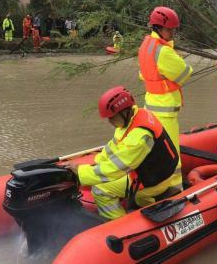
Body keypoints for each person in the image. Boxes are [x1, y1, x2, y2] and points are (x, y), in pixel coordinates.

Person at [63, 86, 180, 220]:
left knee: (100, 190)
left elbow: (116, 169)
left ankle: (118, 222)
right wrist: (95, 162)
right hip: (154, 172)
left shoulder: (139, 137)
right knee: (96, 177)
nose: (110, 122)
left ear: (123, 112)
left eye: (111, 118)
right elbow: (112, 147)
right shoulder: (135, 116)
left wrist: (82, 172)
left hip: (153, 182)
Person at [137, 6, 193, 192]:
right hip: (166, 110)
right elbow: (185, 73)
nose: (172, 33)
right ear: (158, 28)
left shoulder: (145, 46)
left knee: (157, 149)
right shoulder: (163, 52)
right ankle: (174, 190)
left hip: (151, 107)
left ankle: (157, 184)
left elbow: (142, 74)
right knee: (171, 152)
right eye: (170, 29)